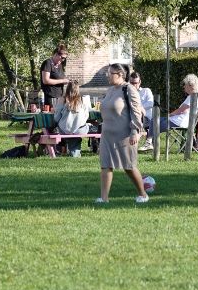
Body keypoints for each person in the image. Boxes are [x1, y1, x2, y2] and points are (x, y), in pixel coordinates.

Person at [96, 63, 149, 204]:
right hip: (107, 134)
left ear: (119, 74)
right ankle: (104, 198)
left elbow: (136, 112)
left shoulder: (129, 89)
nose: (107, 75)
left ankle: (143, 194)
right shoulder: (111, 90)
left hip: (125, 134)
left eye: (110, 73)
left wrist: (134, 131)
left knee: (129, 166)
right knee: (105, 165)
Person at [158, 73, 198, 150]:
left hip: (179, 122)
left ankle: (151, 142)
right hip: (181, 121)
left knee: (155, 122)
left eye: (185, 84)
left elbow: (181, 110)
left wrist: (170, 114)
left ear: (190, 86)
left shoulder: (192, 97)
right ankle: (150, 141)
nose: (184, 86)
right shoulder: (193, 97)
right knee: (155, 122)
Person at [54, 80, 90, 158]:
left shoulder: (62, 100)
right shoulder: (83, 100)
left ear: (67, 89)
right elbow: (86, 116)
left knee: (56, 128)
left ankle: (63, 149)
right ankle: (75, 152)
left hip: (64, 130)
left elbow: (56, 118)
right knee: (93, 126)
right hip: (80, 130)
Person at [129, 71, 156, 152]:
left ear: (140, 82)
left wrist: (139, 108)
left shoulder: (146, 91)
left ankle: (147, 142)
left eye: (136, 83)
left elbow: (151, 103)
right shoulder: (127, 92)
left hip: (146, 118)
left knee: (137, 118)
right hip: (132, 117)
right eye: (132, 83)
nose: (134, 85)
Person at [40, 42, 69, 110]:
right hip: (50, 97)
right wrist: (62, 81)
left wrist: (66, 81)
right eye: (62, 58)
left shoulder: (59, 65)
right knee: (51, 117)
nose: (63, 60)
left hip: (59, 96)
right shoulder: (47, 63)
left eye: (64, 58)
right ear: (56, 54)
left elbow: (60, 77)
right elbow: (46, 80)